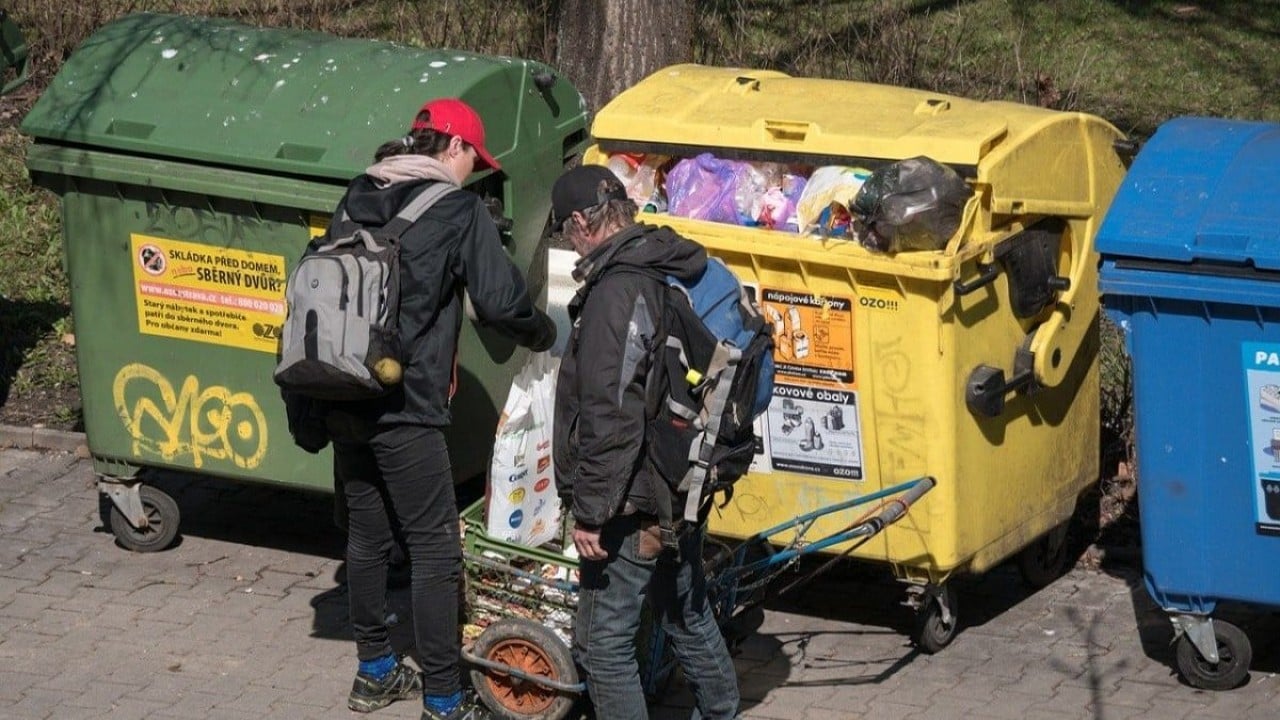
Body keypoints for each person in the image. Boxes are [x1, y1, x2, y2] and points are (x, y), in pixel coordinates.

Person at [327, 98, 556, 720]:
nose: (473, 174)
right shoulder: (455, 210)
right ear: (452, 147)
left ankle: (373, 673)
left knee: (369, 536)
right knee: (434, 549)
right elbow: (503, 302)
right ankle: (444, 699)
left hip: (340, 391)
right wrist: (545, 335)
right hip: (404, 402)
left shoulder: (358, 192)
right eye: (473, 162)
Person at [550, 164, 740, 720]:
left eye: (566, 230)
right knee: (684, 608)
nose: (568, 242)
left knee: (603, 647)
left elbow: (612, 415)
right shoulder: (662, 260)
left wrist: (591, 513)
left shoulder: (617, 289)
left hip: (633, 499)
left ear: (584, 221)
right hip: (681, 474)